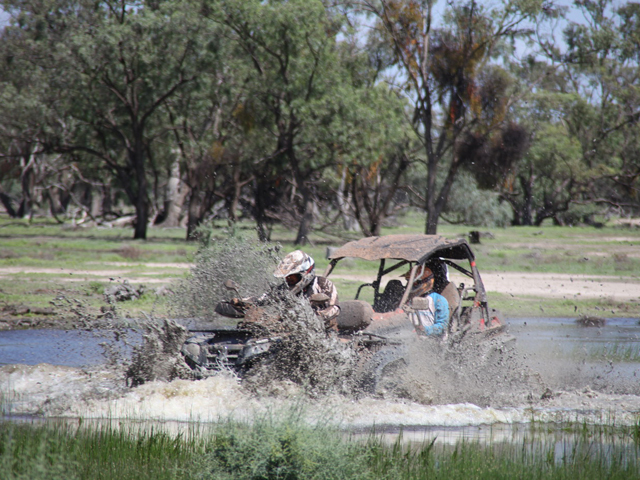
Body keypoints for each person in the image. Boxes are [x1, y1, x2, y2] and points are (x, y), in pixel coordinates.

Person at [273, 250, 340, 331]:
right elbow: (265, 300)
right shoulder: (282, 289)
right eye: (286, 277)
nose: (288, 279)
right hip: (288, 330)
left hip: (324, 330)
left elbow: (335, 308)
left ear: (304, 273)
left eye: (292, 276)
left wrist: (316, 316)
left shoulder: (323, 283)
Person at [403, 265, 449, 337]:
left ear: (427, 281)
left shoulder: (438, 300)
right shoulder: (407, 299)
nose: (411, 285)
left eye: (414, 283)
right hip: (410, 336)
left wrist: (425, 329)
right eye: (409, 282)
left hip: (433, 340)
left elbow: (443, 326)